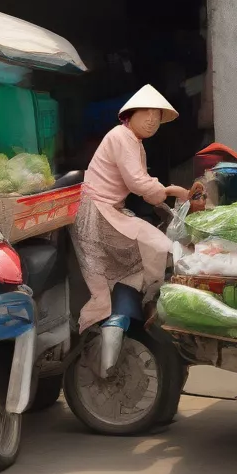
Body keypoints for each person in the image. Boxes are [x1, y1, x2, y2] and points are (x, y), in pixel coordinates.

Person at [71, 84, 190, 333]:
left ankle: (142, 305)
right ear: (131, 114)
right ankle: (143, 306)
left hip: (110, 211)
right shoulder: (120, 136)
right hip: (97, 212)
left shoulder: (136, 144)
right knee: (158, 248)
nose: (151, 121)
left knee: (153, 251)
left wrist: (170, 197)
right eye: (146, 114)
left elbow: (146, 191)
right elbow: (137, 182)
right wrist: (169, 191)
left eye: (157, 118)